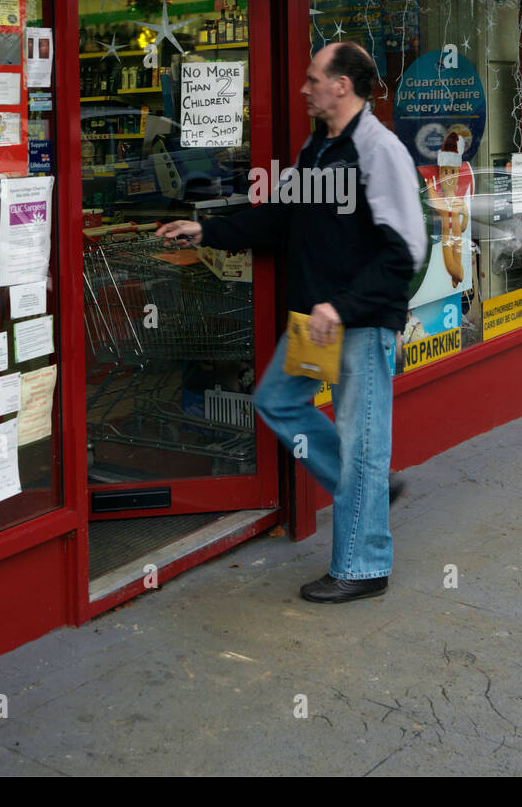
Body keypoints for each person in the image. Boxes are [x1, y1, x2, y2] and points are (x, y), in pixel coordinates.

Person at [157, 42, 426, 602]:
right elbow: (282, 217)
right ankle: (367, 491)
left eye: (313, 79)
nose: (303, 88)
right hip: (315, 322)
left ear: (342, 86)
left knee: (362, 443)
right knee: (276, 400)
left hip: (357, 322)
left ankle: (363, 567)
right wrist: (209, 231)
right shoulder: (318, 148)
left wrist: (344, 306)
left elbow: (406, 249)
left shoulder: (380, 150)